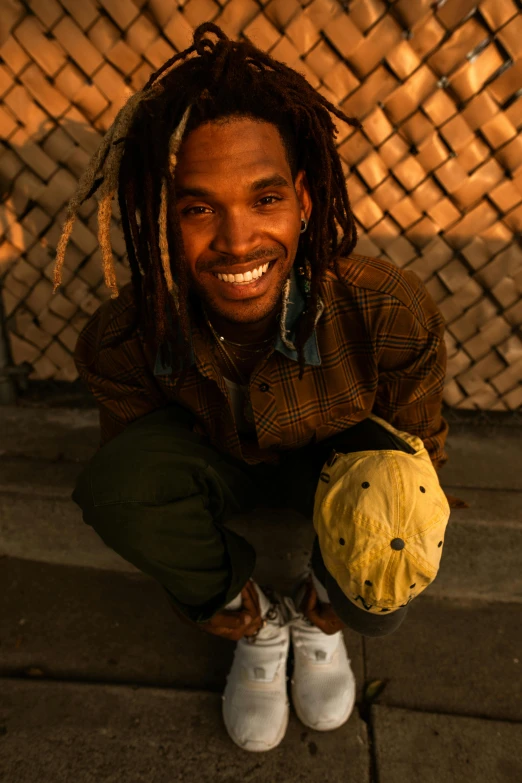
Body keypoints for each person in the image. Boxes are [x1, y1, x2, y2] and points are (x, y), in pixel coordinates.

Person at [53, 23, 469, 752]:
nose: (238, 240)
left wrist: (349, 590)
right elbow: (138, 477)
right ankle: (255, 616)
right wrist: (204, 592)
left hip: (336, 469)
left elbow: (420, 464)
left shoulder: (388, 309)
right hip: (222, 466)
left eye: (265, 198)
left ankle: (315, 610)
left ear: (304, 202)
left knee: (394, 548)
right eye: (198, 208)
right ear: (161, 219)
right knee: (117, 485)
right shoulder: (126, 336)